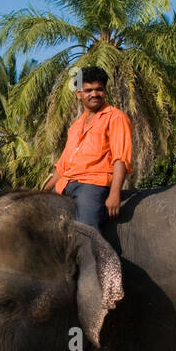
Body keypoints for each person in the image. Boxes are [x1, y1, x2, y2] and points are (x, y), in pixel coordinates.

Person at [42, 66, 132, 232]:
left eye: (99, 89)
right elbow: (62, 167)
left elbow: (121, 158)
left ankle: (94, 258)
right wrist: (41, 193)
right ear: (78, 93)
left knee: (86, 233)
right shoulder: (76, 126)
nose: (94, 94)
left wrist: (114, 194)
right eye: (88, 90)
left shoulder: (116, 117)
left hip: (92, 186)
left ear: (105, 91)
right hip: (64, 185)